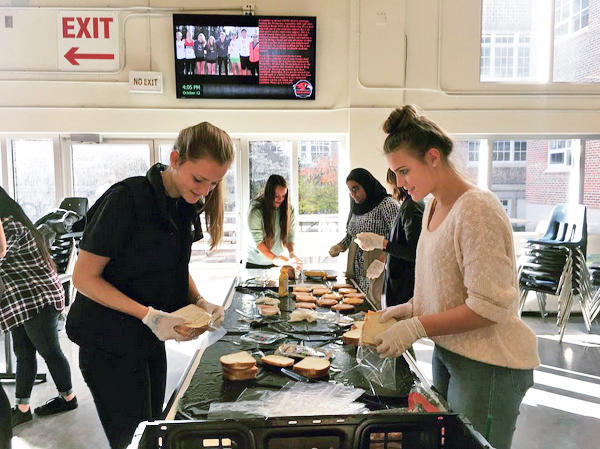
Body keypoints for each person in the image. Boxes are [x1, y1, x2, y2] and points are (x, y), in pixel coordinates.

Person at [374, 105, 539, 449]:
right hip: (449, 351)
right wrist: (408, 309)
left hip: (489, 363)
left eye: (404, 171)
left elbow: (488, 306)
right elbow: (442, 286)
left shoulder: (476, 209)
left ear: (433, 157)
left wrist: (417, 327)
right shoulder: (434, 205)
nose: (400, 183)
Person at [66, 122, 234, 449]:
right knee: (134, 439)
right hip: (108, 341)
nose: (203, 191)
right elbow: (83, 277)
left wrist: (199, 301)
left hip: (149, 339)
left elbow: (174, 265)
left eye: (213, 184)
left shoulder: (185, 205)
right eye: (198, 179)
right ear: (175, 158)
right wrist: (149, 315)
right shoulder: (126, 200)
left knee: (154, 431)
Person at [0, 187, 78, 429]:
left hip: (38, 297)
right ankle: (22, 408)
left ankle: (69, 398)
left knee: (49, 350)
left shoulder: (9, 227)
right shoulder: (9, 224)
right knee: (23, 352)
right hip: (21, 300)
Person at [329, 169, 399, 305]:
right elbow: (351, 235)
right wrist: (340, 246)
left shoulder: (387, 204)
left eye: (356, 189)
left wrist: (382, 261)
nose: (353, 194)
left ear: (367, 185)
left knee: (375, 307)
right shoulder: (356, 206)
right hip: (357, 272)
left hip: (377, 269)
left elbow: (398, 238)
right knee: (357, 307)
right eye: (350, 190)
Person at [355, 169, 424, 307]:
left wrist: (382, 243)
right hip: (397, 282)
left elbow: (415, 252)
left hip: (406, 285)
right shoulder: (407, 205)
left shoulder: (412, 207)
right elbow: (400, 238)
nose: (391, 189)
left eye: (390, 184)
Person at [246, 175, 300, 269]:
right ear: (269, 194)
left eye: (283, 196)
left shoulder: (288, 209)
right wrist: (275, 259)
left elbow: (290, 235)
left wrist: (292, 253)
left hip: (277, 264)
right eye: (276, 196)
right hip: (256, 264)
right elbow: (259, 242)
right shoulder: (256, 211)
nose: (281, 200)